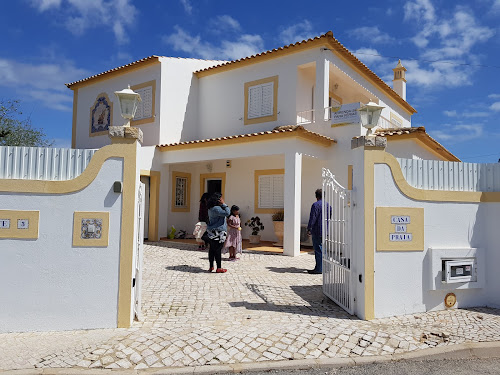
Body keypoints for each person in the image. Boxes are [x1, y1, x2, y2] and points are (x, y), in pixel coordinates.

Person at [206, 192, 230, 273]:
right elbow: (227, 213)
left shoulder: (210, 208)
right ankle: (219, 267)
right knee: (218, 250)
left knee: (212, 249)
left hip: (211, 231)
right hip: (219, 231)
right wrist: (224, 204)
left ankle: (211, 266)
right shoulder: (217, 208)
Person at [307, 188, 324, 274]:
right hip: (325, 230)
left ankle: (319, 269)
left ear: (316, 196)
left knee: (318, 250)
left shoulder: (315, 205)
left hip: (317, 230)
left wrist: (309, 228)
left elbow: (312, 218)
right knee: (322, 249)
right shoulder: (328, 205)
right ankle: (323, 267)